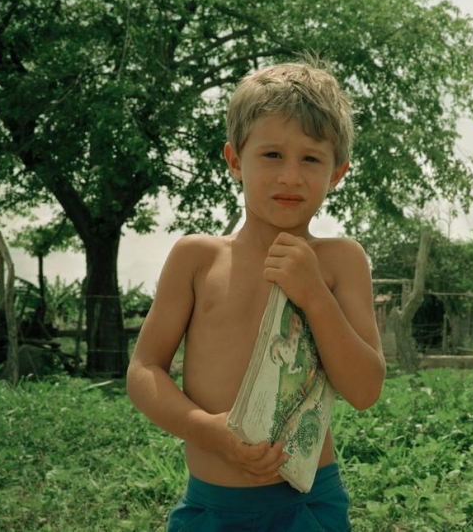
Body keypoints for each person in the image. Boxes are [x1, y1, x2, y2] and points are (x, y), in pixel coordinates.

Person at [126, 58, 385, 532]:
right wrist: (207, 430)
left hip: (308, 504)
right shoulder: (197, 258)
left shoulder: (341, 261)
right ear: (234, 161)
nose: (290, 176)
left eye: (311, 158)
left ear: (338, 173)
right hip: (211, 507)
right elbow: (144, 371)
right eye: (271, 155)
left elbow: (365, 389)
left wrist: (315, 296)